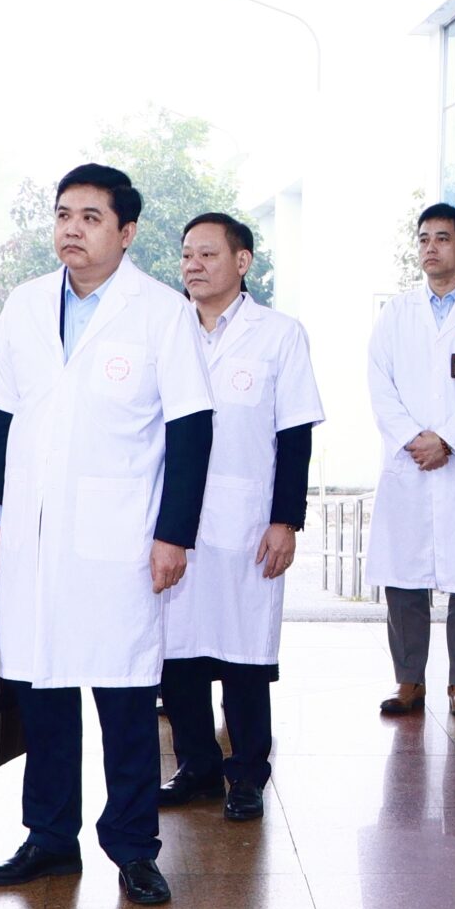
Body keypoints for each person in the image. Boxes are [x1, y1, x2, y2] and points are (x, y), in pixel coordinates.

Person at [0, 164, 213, 906]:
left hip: (122, 536)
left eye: (90, 217)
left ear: (126, 231)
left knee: (125, 694)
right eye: (63, 215)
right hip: (33, 533)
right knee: (40, 686)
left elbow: (192, 430)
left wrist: (174, 535)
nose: (71, 229)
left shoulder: (161, 311)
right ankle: (50, 837)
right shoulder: (25, 303)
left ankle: (133, 847)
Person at [157, 213, 325, 822]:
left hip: (247, 520)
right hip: (174, 520)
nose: (194, 265)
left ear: (242, 261)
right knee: (177, 651)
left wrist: (286, 520)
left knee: (245, 653)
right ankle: (196, 766)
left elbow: (295, 434)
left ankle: (248, 772)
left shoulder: (278, 334)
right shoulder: (166, 328)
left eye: (207, 254)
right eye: (187, 255)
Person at [362, 203, 455, 719]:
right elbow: (379, 383)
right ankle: (409, 681)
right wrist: (413, 439)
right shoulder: (396, 313)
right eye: (424, 238)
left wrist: (446, 440)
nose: (430, 247)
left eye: (442, 239)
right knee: (404, 579)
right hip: (408, 464)